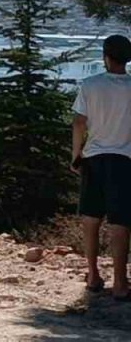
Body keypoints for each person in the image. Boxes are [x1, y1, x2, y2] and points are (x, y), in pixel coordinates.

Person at [72, 34, 131, 298]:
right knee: (120, 222)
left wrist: (76, 153)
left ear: (105, 56)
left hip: (94, 157)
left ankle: (93, 275)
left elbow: (78, 122)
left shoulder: (90, 85)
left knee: (91, 219)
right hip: (124, 159)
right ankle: (121, 283)